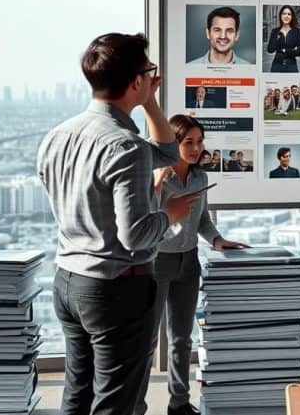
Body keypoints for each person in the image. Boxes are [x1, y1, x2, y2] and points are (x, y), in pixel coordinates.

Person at [37, 33, 202, 415]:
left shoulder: (56, 136)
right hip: (116, 288)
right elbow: (136, 236)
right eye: (149, 72)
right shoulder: (125, 146)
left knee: (77, 394)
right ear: (135, 80)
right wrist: (170, 215)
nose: (152, 77)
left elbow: (164, 151)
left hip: (68, 282)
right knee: (117, 403)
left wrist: (151, 102)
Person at [134, 115, 248, 415]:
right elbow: (142, 221)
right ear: (174, 143)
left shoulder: (199, 177)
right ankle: (135, 406)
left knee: (182, 339)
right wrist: (156, 185)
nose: (196, 148)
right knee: (147, 340)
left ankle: (179, 403)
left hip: (189, 262)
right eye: (188, 142)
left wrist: (217, 240)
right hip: (156, 262)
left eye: (199, 142)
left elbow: (202, 220)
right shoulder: (155, 177)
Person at [265, 5, 300, 73]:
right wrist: (277, 38)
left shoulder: (297, 31)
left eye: (289, 14)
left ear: (292, 17)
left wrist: (285, 51)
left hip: (292, 66)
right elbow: (270, 50)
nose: (286, 16)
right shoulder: (275, 31)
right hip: (276, 65)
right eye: (284, 14)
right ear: (281, 16)